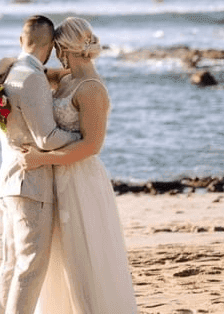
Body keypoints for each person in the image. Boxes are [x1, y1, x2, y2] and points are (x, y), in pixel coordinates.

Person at [21, 17, 138, 313]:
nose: (56, 54)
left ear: (66, 48)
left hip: (80, 180)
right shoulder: (66, 78)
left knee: (82, 257)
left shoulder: (91, 89)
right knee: (60, 256)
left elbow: (91, 146)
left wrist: (41, 158)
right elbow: (31, 72)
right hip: (58, 176)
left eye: (58, 48)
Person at [0, 15, 82, 314]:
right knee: (30, 269)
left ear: (21, 40)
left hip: (8, 181)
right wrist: (81, 136)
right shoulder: (31, 78)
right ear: (52, 45)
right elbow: (47, 138)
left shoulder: (7, 73)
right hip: (30, 184)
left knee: (11, 264)